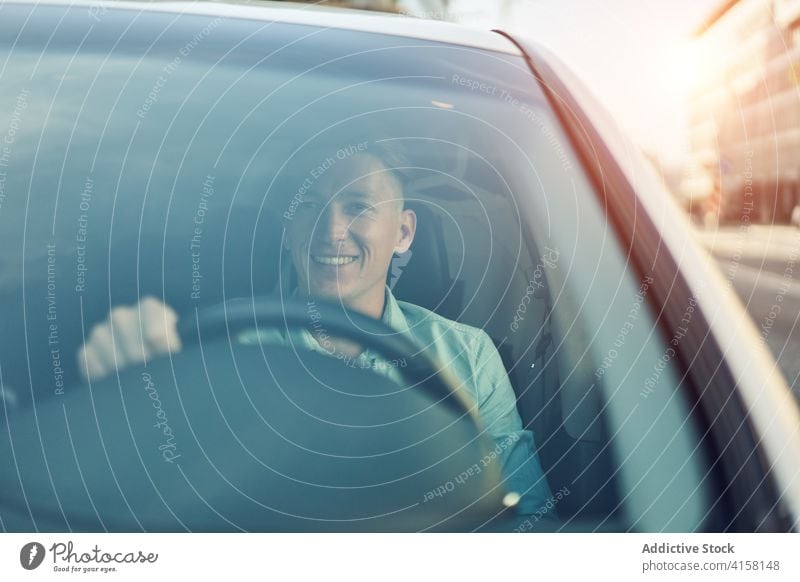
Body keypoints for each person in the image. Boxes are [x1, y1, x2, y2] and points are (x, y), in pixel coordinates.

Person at [78, 144, 554, 519]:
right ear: (287, 230)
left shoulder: (467, 355)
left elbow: (523, 516)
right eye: (310, 205)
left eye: (357, 207)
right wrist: (127, 394)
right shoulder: (225, 349)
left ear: (404, 233)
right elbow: (164, 495)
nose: (331, 230)